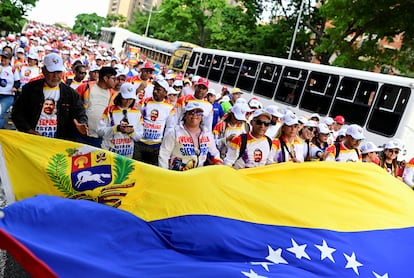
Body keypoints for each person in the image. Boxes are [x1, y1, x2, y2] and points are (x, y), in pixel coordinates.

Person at [12, 53, 88, 140]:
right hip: (31, 141)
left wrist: (82, 123)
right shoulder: (30, 89)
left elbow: (80, 113)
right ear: (44, 71)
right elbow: (17, 113)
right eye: (52, 72)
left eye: (59, 72)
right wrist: (28, 130)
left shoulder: (70, 94)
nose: (56, 76)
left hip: (59, 143)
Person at [159, 102, 222, 170]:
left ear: (202, 116)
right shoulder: (174, 132)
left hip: (197, 175)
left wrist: (217, 162)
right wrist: (165, 174)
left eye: (198, 113)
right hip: (177, 175)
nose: (195, 115)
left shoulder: (207, 134)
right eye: (191, 112)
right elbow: (164, 154)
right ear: (185, 115)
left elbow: (214, 153)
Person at [134, 78, 175, 165]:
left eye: (159, 90)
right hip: (139, 144)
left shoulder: (170, 108)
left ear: (165, 93)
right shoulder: (144, 102)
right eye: (154, 89)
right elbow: (136, 119)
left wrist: (163, 146)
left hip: (155, 147)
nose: (155, 91)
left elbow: (169, 128)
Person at [97, 83, 141, 158]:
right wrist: (116, 128)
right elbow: (99, 132)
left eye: (130, 99)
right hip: (109, 154)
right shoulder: (109, 110)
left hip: (127, 157)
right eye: (125, 98)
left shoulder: (137, 113)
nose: (128, 102)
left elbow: (139, 136)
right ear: (120, 96)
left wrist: (131, 132)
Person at [79, 66, 117, 147]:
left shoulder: (113, 94)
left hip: (101, 137)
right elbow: (73, 105)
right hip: (82, 135)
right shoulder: (86, 87)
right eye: (113, 79)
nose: (115, 81)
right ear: (106, 78)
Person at [0, 49, 20, 128]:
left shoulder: (13, 70)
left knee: (0, 113)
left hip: (7, 95)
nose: (3, 60)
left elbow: (17, 81)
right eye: (2, 58)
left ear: (9, 60)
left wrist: (15, 87)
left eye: (5, 58)